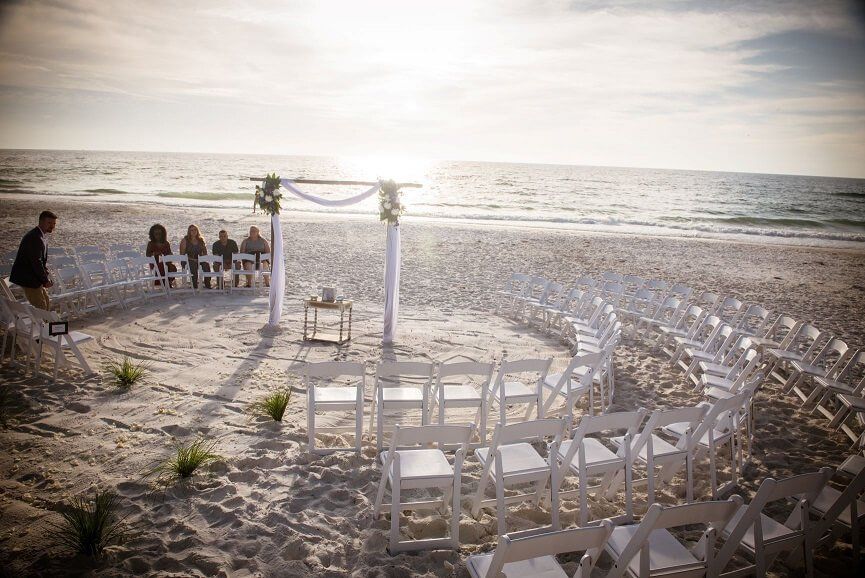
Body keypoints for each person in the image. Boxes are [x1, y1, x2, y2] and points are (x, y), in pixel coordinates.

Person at [10, 210, 57, 310]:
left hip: (35, 277)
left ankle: (45, 321)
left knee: (46, 302)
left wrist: (45, 275)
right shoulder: (34, 237)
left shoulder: (41, 236)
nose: (52, 226)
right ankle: (42, 321)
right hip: (28, 278)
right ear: (41, 222)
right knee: (41, 307)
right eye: (49, 223)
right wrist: (45, 280)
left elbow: (41, 261)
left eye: (54, 223)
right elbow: (36, 261)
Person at [179, 224, 210, 289]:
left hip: (199, 259)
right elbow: (182, 255)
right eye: (192, 230)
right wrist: (192, 259)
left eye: (195, 230)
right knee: (193, 265)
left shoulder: (201, 240)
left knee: (206, 265)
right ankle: (194, 285)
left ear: (197, 231)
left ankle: (207, 283)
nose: (194, 231)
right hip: (187, 260)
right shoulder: (185, 240)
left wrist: (201, 258)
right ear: (189, 231)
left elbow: (205, 253)